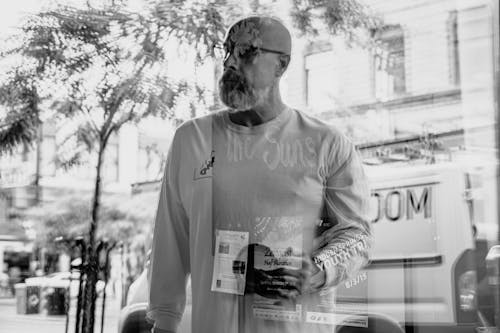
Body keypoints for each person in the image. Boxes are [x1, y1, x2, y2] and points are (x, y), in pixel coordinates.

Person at [147, 16, 372, 333]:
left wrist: (319, 269)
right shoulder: (191, 140)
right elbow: (170, 241)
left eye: (247, 52)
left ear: (281, 65)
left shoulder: (327, 144)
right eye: (227, 51)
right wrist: (164, 322)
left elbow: (356, 236)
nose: (230, 63)